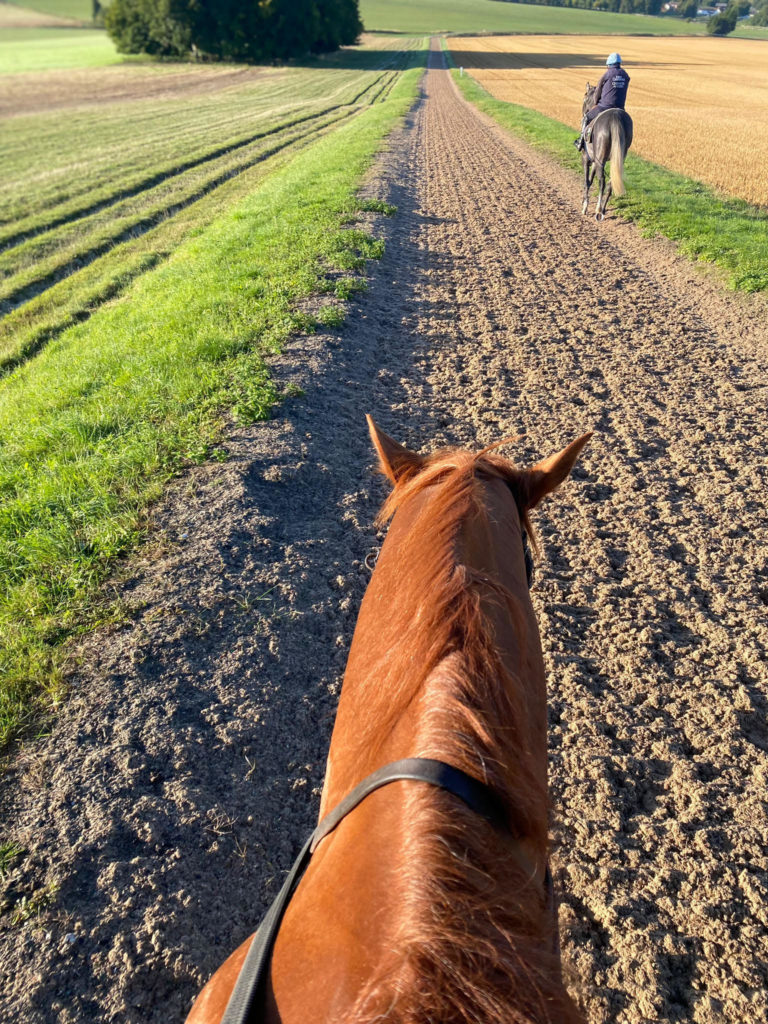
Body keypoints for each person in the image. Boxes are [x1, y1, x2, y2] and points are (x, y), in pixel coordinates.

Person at [574, 54, 630, 151]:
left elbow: (598, 90)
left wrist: (596, 102)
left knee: (586, 118)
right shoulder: (625, 75)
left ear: (608, 65)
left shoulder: (607, 74)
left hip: (604, 106)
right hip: (620, 108)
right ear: (619, 64)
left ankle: (581, 141)